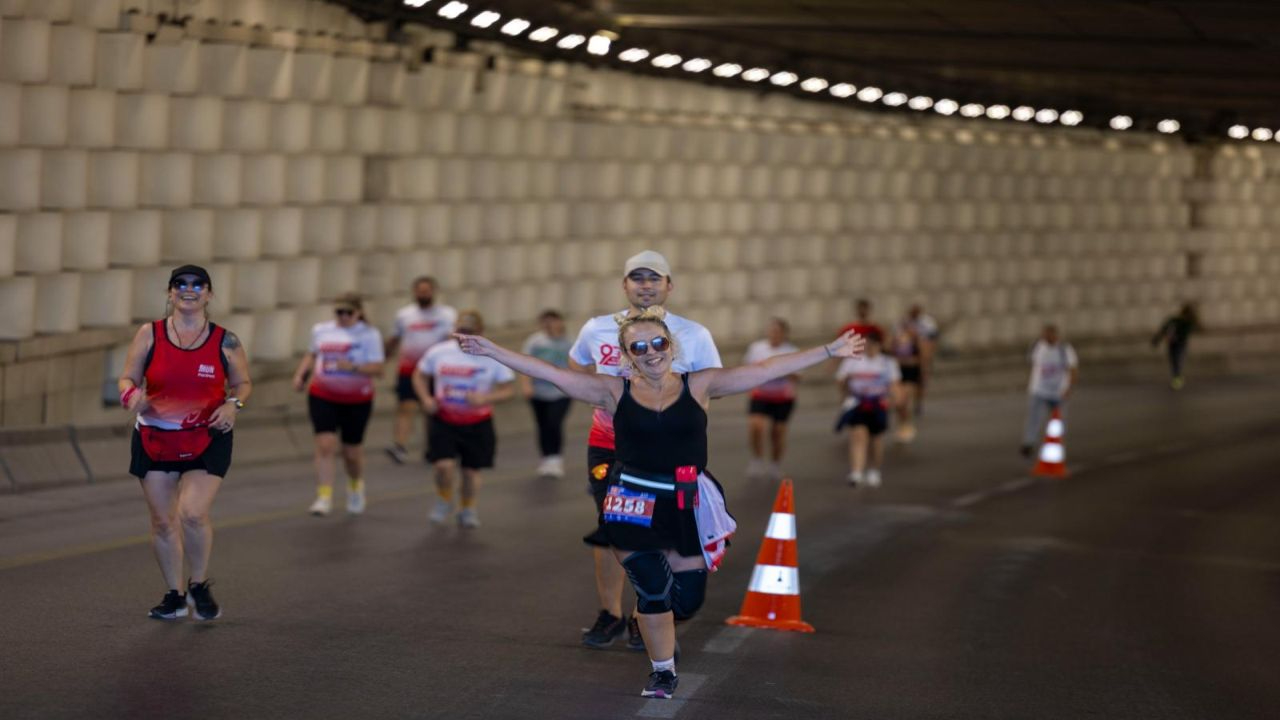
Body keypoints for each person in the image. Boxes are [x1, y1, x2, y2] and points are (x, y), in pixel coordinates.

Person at [454, 308, 864, 699]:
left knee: (686, 600)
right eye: (639, 348)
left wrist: (829, 350)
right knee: (652, 590)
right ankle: (663, 668)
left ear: (671, 345)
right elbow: (550, 373)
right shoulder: (612, 390)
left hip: (685, 501)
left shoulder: (699, 384)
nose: (651, 352)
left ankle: (649, 625)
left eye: (657, 343)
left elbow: (764, 370)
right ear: (627, 357)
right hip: (631, 499)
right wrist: (491, 350)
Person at [568, 250, 722, 653]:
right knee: (610, 530)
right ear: (624, 285)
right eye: (636, 278)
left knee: (664, 534)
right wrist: (601, 397)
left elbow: (708, 390)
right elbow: (576, 365)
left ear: (670, 285)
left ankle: (648, 610)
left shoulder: (694, 335)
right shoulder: (597, 329)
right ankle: (611, 614)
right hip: (609, 445)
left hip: (668, 455)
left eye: (654, 278)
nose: (646, 285)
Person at [118, 264, 252, 621]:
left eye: (197, 285)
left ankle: (198, 583)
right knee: (163, 522)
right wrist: (130, 396)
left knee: (192, 513)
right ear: (170, 293)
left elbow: (243, 384)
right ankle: (174, 596)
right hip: (154, 436)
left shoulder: (226, 340)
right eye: (180, 284)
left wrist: (232, 404)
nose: (188, 290)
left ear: (209, 294)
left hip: (207, 436)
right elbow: (127, 377)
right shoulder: (150, 334)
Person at [412, 310, 515, 528]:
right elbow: (419, 375)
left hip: (477, 422)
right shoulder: (439, 352)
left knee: (470, 471)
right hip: (444, 420)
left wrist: (485, 397)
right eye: (460, 331)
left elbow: (508, 390)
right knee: (443, 466)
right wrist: (425, 398)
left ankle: (468, 508)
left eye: (468, 332)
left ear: (480, 332)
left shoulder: (492, 356)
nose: (463, 337)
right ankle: (444, 498)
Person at [292, 293, 385, 516]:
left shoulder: (369, 335)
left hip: (357, 398)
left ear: (359, 312)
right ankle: (324, 496)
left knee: (351, 452)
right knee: (325, 444)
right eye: (339, 312)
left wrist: (352, 367)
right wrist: (300, 374)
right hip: (323, 394)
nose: (343, 317)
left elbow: (378, 369)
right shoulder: (321, 330)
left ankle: (355, 486)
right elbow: (312, 354)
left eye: (348, 313)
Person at [385, 276, 457, 464]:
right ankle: (399, 446)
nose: (423, 294)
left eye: (427, 290)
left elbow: (453, 339)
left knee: (431, 408)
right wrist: (385, 357)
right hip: (410, 368)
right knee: (406, 405)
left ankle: (432, 447)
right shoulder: (405, 315)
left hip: (436, 370)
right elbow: (395, 338)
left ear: (434, 292)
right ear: (414, 292)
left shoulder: (446, 315)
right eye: (420, 291)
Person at [835, 331, 901, 487]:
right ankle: (856, 471)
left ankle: (874, 470)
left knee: (876, 440)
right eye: (867, 345)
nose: (869, 348)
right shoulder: (853, 361)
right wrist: (845, 388)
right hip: (858, 403)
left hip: (878, 404)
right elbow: (840, 381)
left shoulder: (887, 363)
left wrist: (893, 401)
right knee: (858, 435)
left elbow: (894, 386)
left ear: (879, 345)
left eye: (873, 345)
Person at [742, 317, 799, 480]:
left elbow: (798, 376)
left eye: (777, 331)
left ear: (784, 333)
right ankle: (757, 460)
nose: (774, 334)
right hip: (761, 394)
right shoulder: (757, 348)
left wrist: (781, 370)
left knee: (778, 432)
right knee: (756, 427)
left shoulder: (792, 350)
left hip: (783, 397)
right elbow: (746, 368)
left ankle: (775, 464)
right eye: (771, 330)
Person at [520, 309, 574, 478]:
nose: (548, 324)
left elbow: (579, 364)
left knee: (554, 422)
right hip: (539, 391)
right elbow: (525, 363)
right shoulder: (535, 342)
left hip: (561, 392)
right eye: (545, 321)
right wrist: (526, 385)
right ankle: (546, 458)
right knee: (542, 425)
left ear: (560, 322)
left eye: (552, 320)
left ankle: (556, 459)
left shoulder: (570, 342)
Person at [1021, 324, 1078, 457]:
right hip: (1039, 390)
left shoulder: (1064, 349)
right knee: (1033, 418)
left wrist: (1069, 388)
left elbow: (1073, 369)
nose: (1046, 337)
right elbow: (1032, 364)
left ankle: (1055, 445)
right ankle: (1028, 443)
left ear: (1055, 335)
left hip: (1058, 392)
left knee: (1057, 421)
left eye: (1049, 334)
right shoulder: (1038, 347)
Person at [888, 304, 937, 442]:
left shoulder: (916, 339)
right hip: (899, 371)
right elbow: (890, 353)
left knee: (906, 398)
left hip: (911, 372)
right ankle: (901, 423)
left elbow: (923, 356)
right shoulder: (897, 340)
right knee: (899, 402)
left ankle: (907, 423)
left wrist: (923, 371)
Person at [1151, 302, 1200, 390]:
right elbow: (1164, 329)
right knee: (1175, 361)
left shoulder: (1181, 321)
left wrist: (1157, 340)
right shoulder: (1180, 321)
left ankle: (1177, 378)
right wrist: (1157, 340)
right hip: (1176, 344)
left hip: (1177, 344)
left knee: (1176, 360)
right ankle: (1177, 378)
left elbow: (1164, 330)